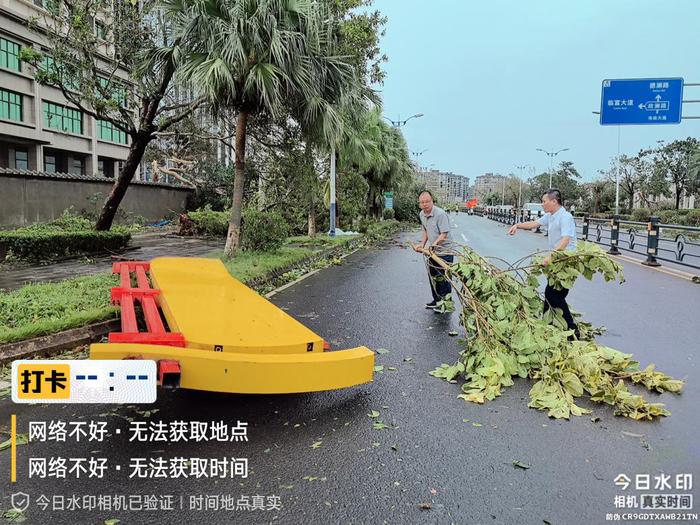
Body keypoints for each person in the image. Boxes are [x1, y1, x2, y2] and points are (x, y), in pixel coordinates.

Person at [508, 188, 580, 338]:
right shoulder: (551, 216)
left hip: (566, 262)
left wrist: (551, 256)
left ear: (554, 201)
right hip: (557, 261)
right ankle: (548, 325)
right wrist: (518, 226)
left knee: (555, 296)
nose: (542, 204)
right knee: (550, 295)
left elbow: (566, 240)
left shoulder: (565, 217)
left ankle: (573, 331)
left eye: (544, 201)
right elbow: (535, 223)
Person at [412, 191, 455, 313]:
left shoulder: (440, 214)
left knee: (444, 278)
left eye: (427, 201)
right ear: (419, 203)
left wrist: (433, 246)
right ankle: (437, 300)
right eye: (422, 202)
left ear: (432, 201)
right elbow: (425, 230)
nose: (425, 204)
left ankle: (446, 305)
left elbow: (444, 234)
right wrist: (422, 244)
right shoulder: (422, 214)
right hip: (433, 251)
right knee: (433, 277)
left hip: (445, 251)